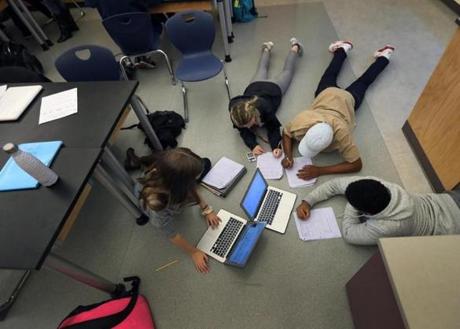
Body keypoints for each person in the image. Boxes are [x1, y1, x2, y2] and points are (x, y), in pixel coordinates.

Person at [282, 41, 395, 180]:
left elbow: (357, 165)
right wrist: (288, 155)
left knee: (346, 77)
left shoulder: (341, 134)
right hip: (329, 94)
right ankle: (383, 55)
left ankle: (351, 50)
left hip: (343, 99)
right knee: (360, 81)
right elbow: (286, 133)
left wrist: (320, 170)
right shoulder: (305, 120)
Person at [296, 176, 460, 245]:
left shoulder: (389, 227)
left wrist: (352, 204)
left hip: (453, 227)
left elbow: (349, 233)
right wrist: (308, 201)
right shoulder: (377, 184)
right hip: (448, 198)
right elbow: (335, 185)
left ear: (368, 213)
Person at [135, 147, 220, 273]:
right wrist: (194, 252)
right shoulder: (159, 205)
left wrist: (207, 209)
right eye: (193, 179)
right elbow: (171, 234)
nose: (195, 181)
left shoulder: (169, 172)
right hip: (160, 206)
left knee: (205, 163)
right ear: (181, 185)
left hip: (175, 190)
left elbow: (192, 188)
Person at [229, 38, 303, 158]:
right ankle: (267, 48)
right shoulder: (235, 111)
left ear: (255, 115)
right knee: (261, 69)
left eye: (249, 124)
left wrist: (275, 146)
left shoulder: (265, 108)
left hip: (273, 88)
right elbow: (242, 130)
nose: (248, 128)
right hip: (255, 86)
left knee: (288, 71)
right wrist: (253, 145)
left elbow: (273, 127)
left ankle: (295, 46)